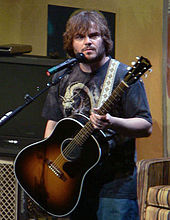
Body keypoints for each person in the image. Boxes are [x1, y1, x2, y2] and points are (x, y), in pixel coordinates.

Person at [42, 10, 152, 220]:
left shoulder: (123, 75)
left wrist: (111, 121)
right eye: (80, 37)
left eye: (94, 35)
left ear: (104, 39)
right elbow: (53, 121)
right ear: (71, 43)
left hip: (115, 185)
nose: (87, 42)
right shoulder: (63, 75)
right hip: (72, 180)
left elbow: (146, 126)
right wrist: (49, 162)